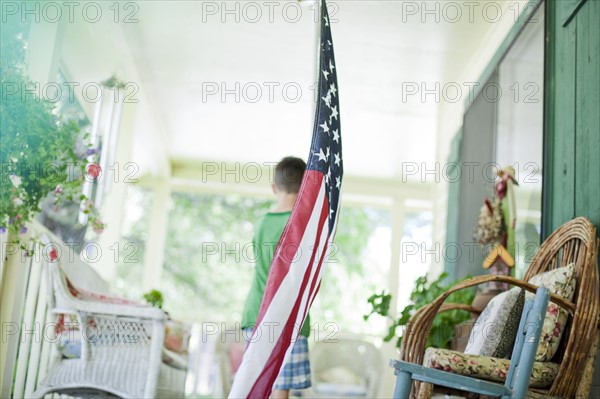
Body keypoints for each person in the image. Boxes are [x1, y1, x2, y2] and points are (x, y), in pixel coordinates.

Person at [241, 156, 311, 399]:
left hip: (255, 313)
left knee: (256, 384)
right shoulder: (303, 225)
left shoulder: (260, 223)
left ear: (274, 188)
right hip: (287, 315)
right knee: (280, 390)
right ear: (305, 188)